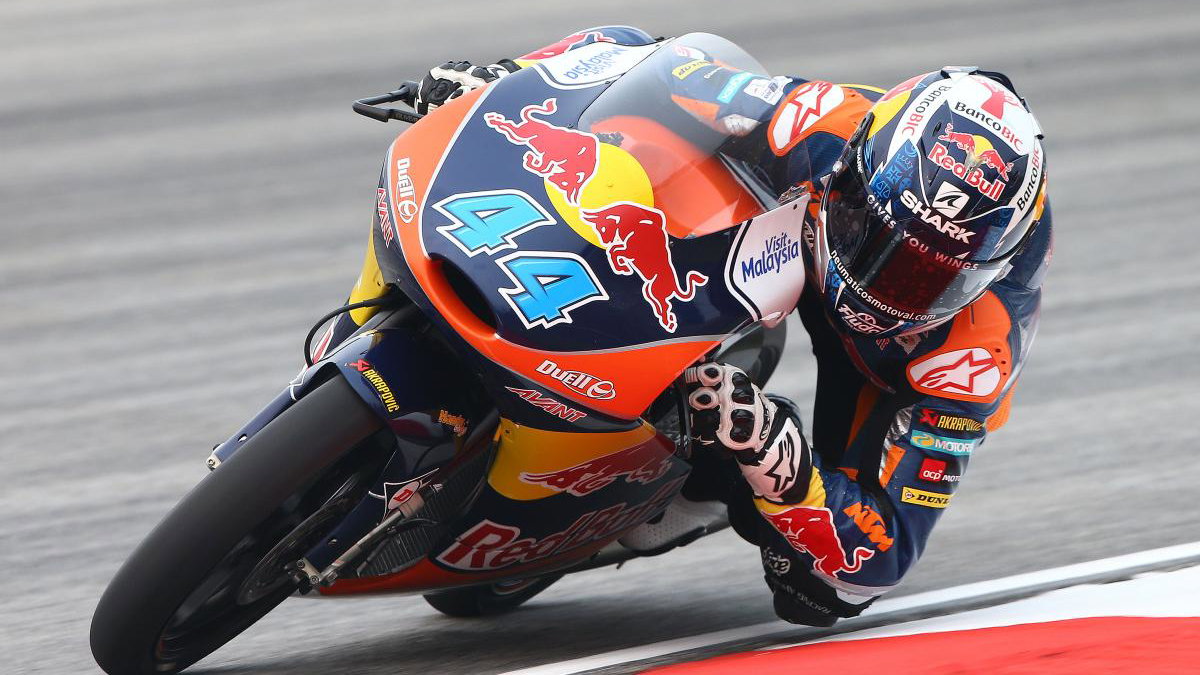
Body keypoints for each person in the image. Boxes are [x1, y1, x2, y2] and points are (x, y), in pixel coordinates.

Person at [414, 26, 1052, 627]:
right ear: (856, 171)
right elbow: (645, 57)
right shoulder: (823, 122)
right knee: (647, 128)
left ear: (983, 274)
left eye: (924, 275)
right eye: (872, 231)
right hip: (794, 243)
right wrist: (509, 79)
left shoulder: (974, 354)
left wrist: (776, 456)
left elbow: (880, 559)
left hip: (880, 364)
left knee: (818, 592)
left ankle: (685, 492)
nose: (880, 283)